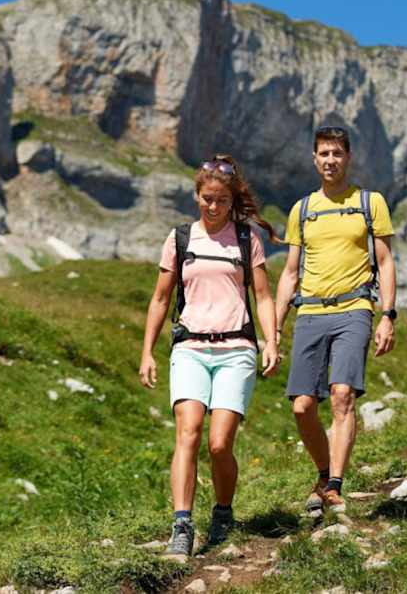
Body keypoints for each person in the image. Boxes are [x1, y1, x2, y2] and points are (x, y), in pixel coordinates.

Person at [139, 154, 281, 558]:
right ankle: (182, 526)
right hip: (190, 349)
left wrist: (271, 341)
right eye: (207, 199)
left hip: (236, 350)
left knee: (219, 444)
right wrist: (147, 351)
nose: (213, 207)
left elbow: (263, 296)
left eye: (221, 200)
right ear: (196, 196)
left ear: (232, 200)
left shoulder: (246, 240)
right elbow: (161, 298)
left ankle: (223, 512)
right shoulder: (180, 239)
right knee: (188, 432)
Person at [274, 125, 397, 515]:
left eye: (337, 153)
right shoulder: (302, 210)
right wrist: (274, 330)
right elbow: (290, 272)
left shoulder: (369, 202)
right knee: (302, 406)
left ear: (348, 157)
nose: (330, 160)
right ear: (314, 159)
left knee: (343, 395)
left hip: (354, 309)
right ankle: (324, 473)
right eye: (324, 154)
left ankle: (335, 486)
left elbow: (385, 262)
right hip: (310, 312)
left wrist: (388, 315)